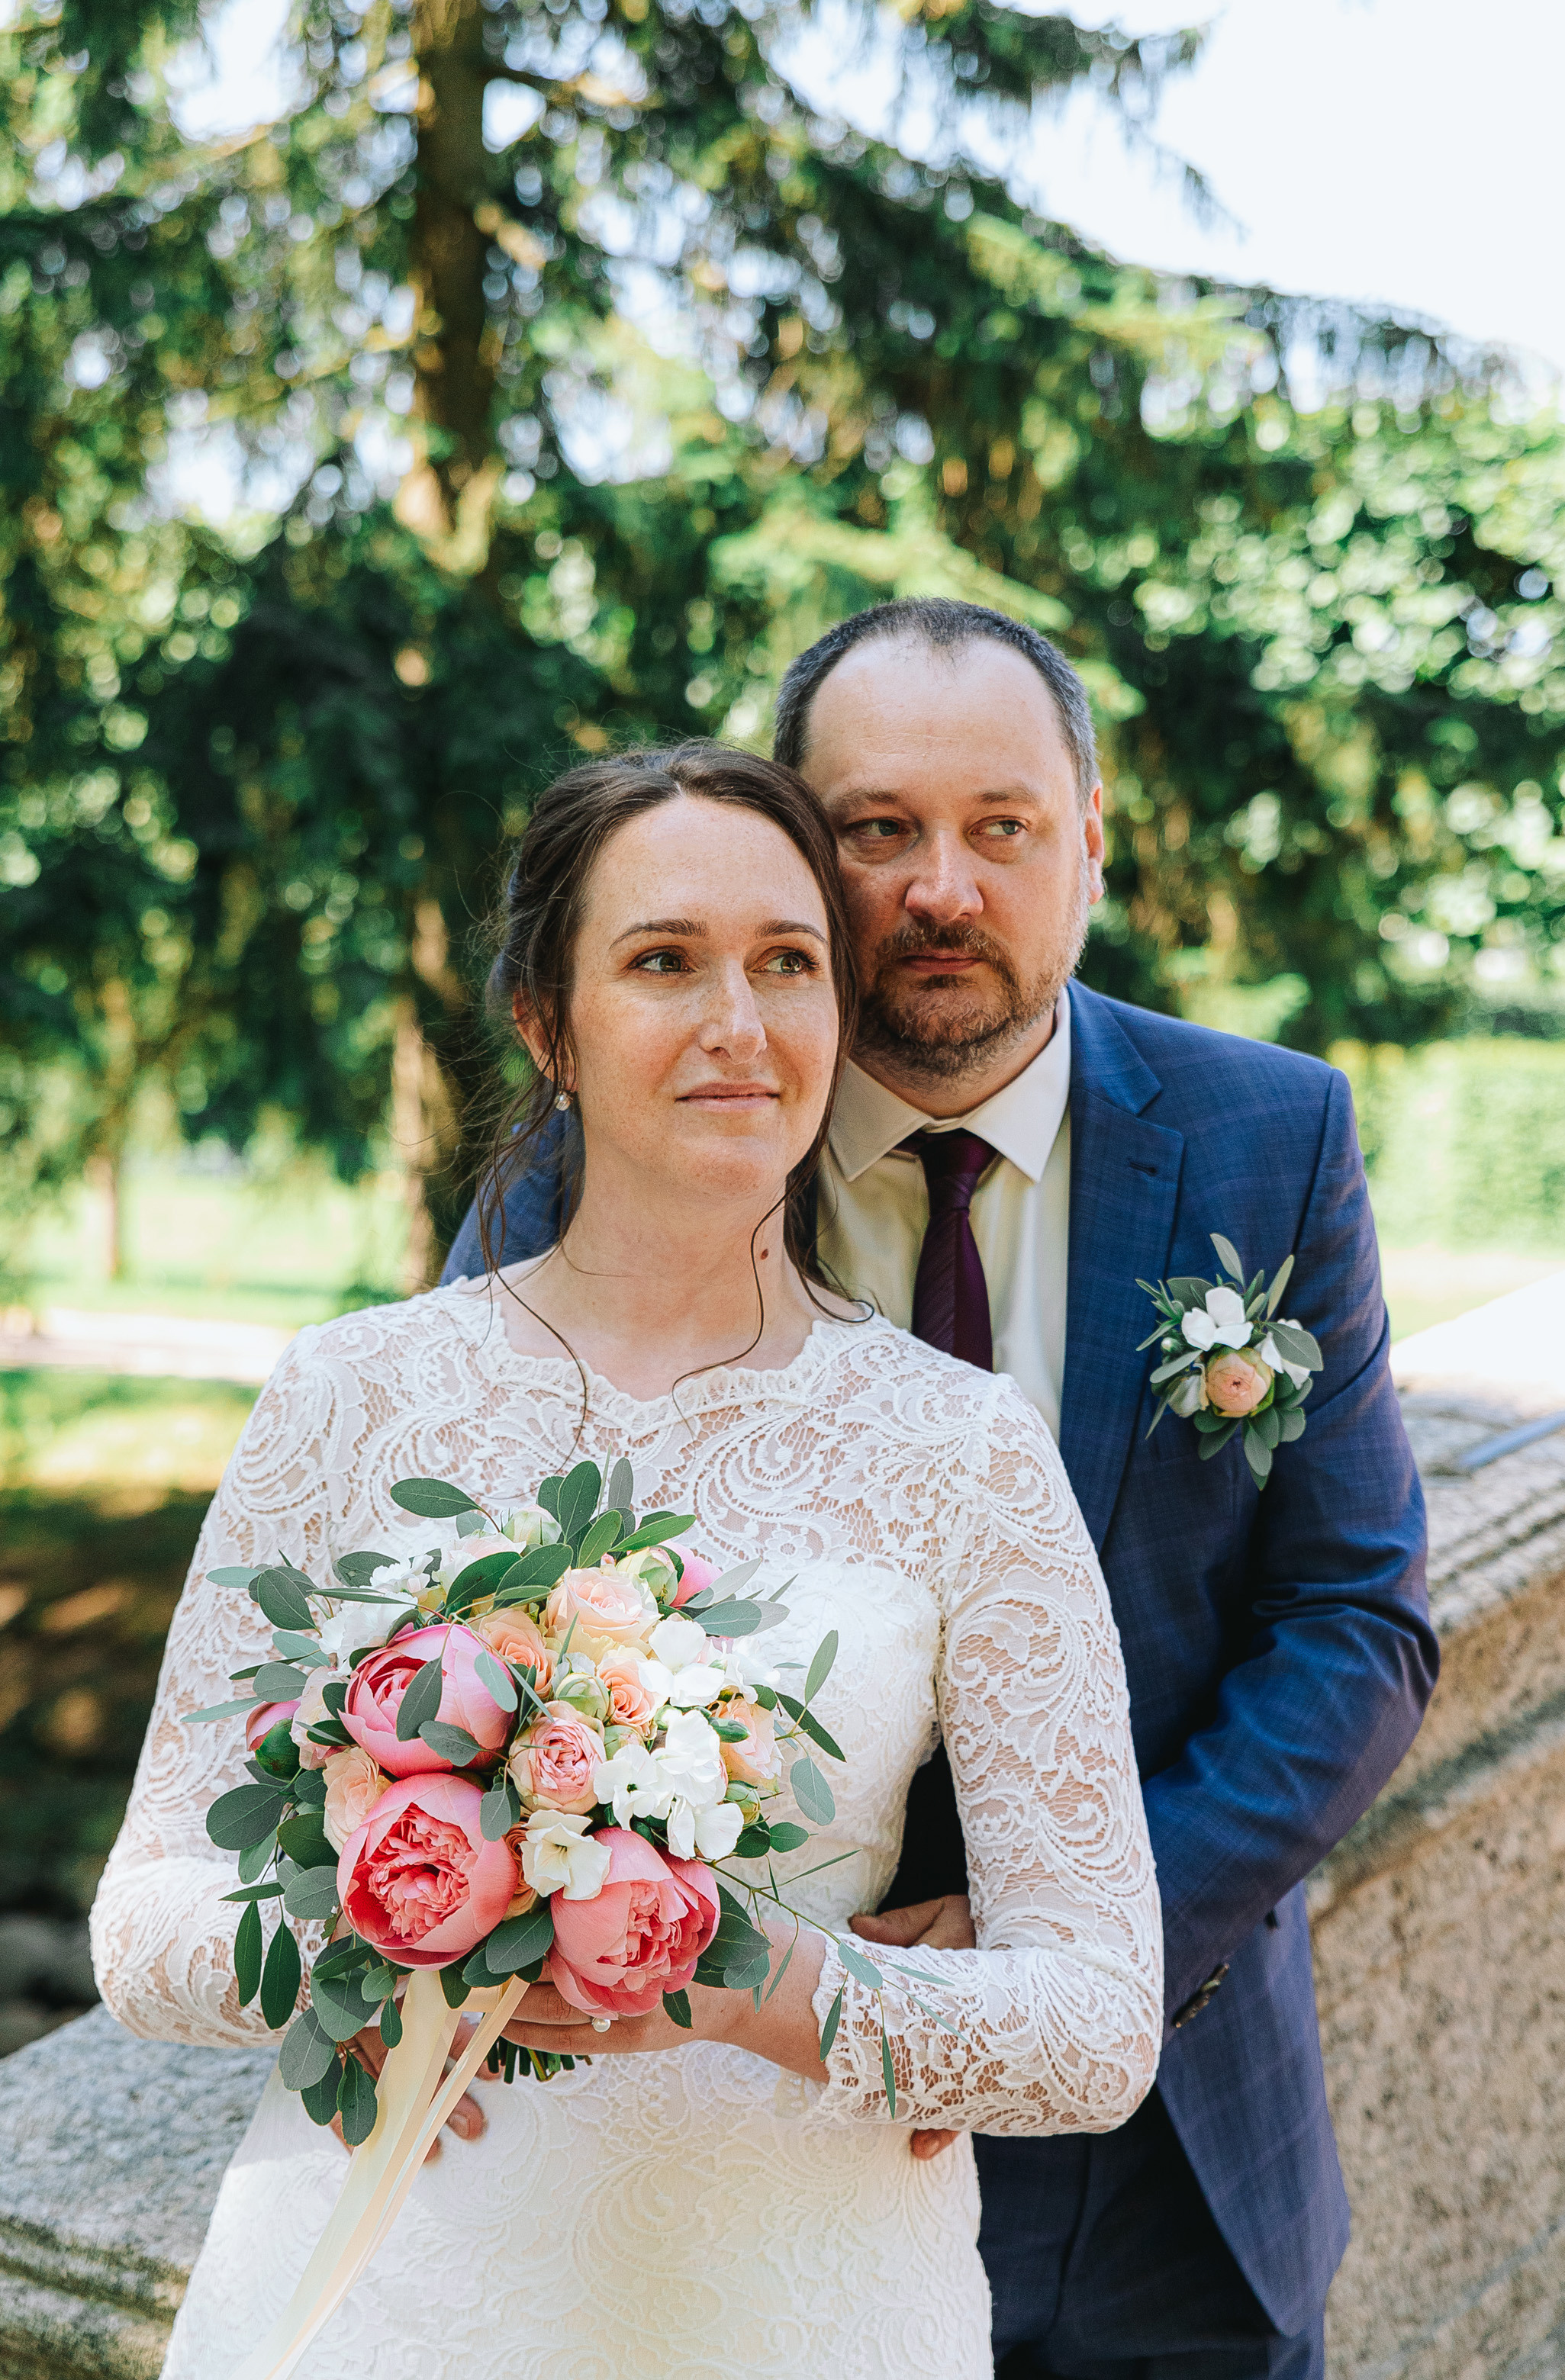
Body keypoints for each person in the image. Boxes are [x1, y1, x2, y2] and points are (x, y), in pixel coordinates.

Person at [444, 602, 1438, 2377]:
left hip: (1165, 2151)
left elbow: (1352, 1621)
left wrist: (1069, 1941)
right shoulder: (604, 1164)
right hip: (724, 2132)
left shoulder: (1267, 1139)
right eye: (875, 829)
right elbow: (450, 1603)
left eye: (1001, 827)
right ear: (789, 848)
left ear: (1087, 843)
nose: (940, 888)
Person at [91, 741, 1162, 2380]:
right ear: (548, 1022)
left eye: (788, 964)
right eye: (664, 962)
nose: (740, 1023)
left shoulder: (965, 1448)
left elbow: (1095, 2024)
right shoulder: (352, 1394)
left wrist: (758, 1984)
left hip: (795, 2301)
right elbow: (146, 1919)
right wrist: (390, 1939)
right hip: (385, 2294)